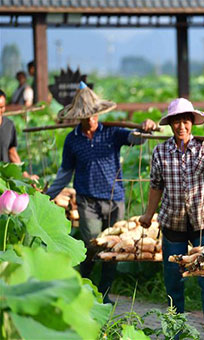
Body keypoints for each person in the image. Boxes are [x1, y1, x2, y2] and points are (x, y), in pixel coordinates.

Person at [46, 82, 157, 304]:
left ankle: (104, 293)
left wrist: (145, 128)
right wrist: (49, 194)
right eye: (87, 116)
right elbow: (65, 172)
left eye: (95, 115)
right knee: (92, 245)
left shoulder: (112, 133)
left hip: (115, 199)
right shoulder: (72, 140)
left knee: (112, 249)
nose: (92, 120)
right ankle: (80, 283)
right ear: (79, 117)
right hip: (87, 200)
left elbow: (135, 138)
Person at [139, 98, 204, 340]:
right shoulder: (161, 151)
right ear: (170, 124)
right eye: (176, 121)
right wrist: (149, 214)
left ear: (192, 122)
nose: (181, 126)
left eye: (185, 121)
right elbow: (156, 185)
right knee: (173, 279)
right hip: (173, 222)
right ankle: (176, 330)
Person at [0, 89, 38, 180]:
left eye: (2, 107)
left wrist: (26, 176)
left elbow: (12, 152)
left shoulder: (9, 125)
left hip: (5, 179)